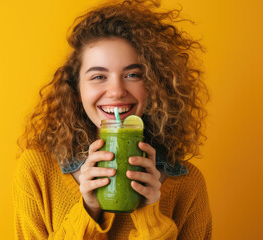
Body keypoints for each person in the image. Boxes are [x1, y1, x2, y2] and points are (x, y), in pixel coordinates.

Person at [13, 0, 212, 239]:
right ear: (77, 90)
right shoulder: (38, 170)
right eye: (98, 76)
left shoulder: (187, 184)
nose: (116, 91)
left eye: (132, 74)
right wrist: (88, 210)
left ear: (153, 85)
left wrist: (150, 218)